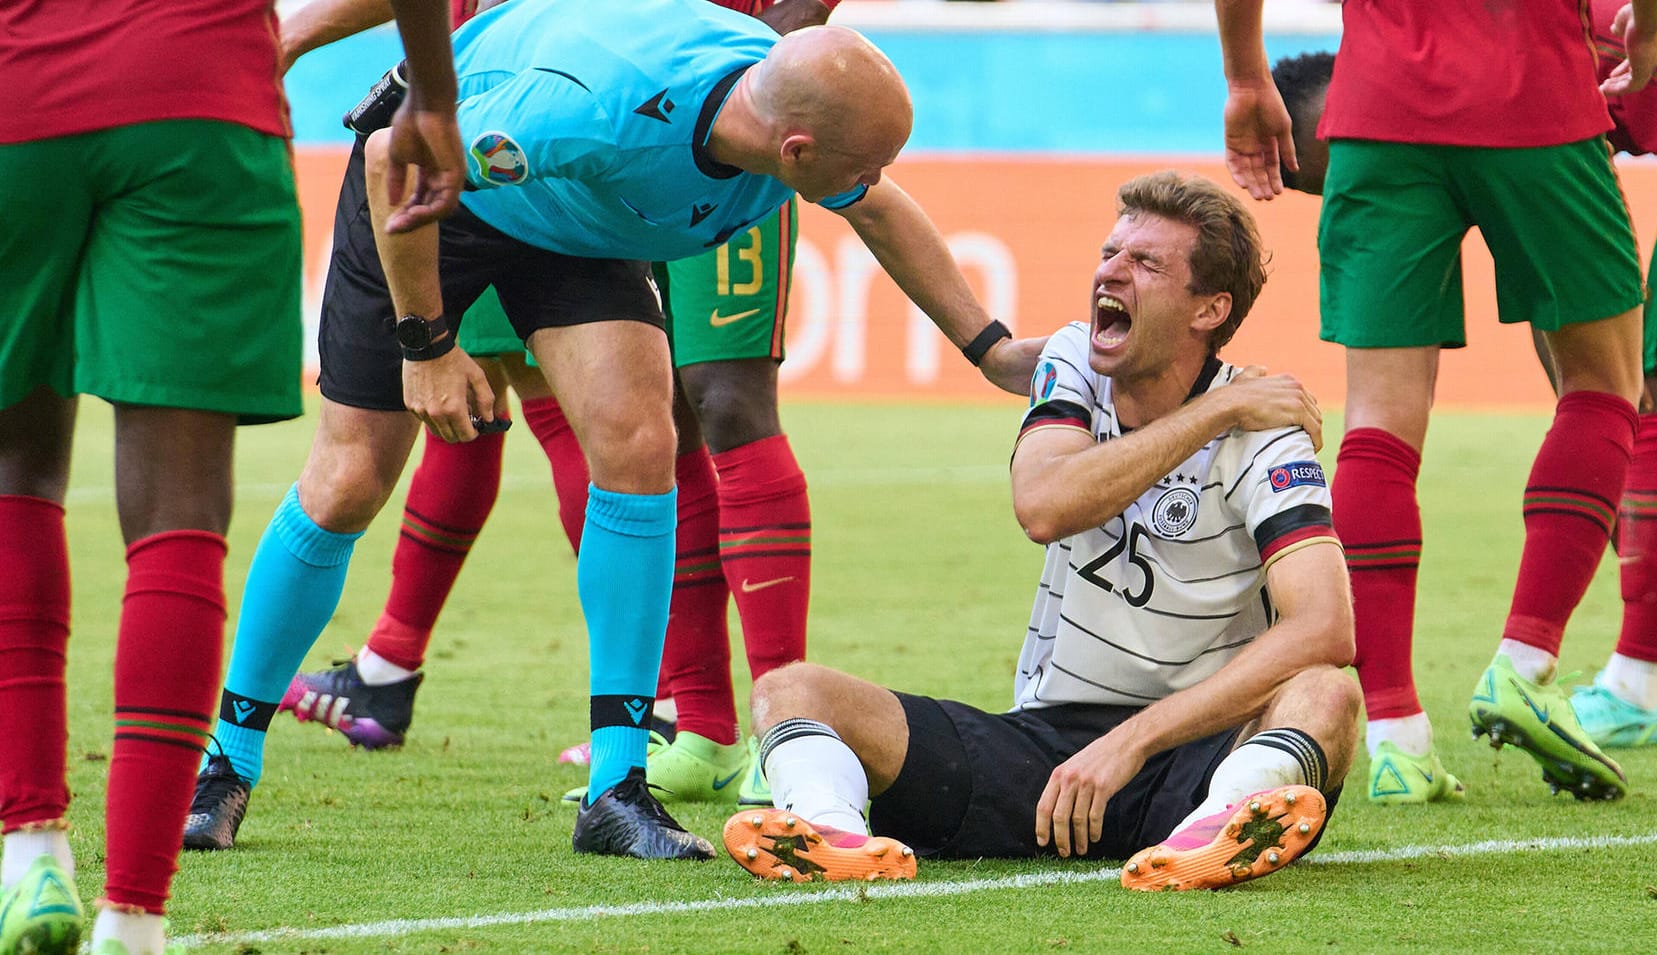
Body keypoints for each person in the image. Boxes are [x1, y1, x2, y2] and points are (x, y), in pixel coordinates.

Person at [182, 0, 1037, 862]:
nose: (876, 175)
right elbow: (392, 162)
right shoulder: (597, 112)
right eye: (868, 161)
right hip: (435, 192)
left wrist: (990, 349)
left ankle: (615, 789)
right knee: (350, 480)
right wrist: (425, 344)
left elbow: (880, 210)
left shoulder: (783, 112)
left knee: (638, 447)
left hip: (577, 220)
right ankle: (224, 761)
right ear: (796, 154)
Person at [274, 0, 845, 812]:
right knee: (491, 391)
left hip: (719, 121)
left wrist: (766, 86)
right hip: (531, 118)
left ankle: (770, 725)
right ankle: (691, 716)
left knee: (714, 399)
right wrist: (298, 33)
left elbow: (859, 163)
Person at [721, 172, 1359, 892]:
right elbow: (1043, 504)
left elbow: (1324, 627)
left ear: (1209, 308)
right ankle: (833, 835)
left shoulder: (1268, 433)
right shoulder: (1078, 360)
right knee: (791, 690)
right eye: (1110, 252)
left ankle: (1210, 832)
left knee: (1326, 695)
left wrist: (1135, 739)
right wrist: (1214, 413)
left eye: (1145, 263)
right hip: (1046, 757)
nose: (1110, 271)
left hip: (1196, 749)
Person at [0, 2, 459, 953]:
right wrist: (432, 90)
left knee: (15, 473)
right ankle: (133, 917)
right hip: (199, 90)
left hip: (16, 92)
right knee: (178, 514)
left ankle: (29, 850)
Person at [1218, 0, 1657, 806]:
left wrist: (1246, 73)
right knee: (1604, 387)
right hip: (1536, 97)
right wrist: (1648, 26)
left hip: (1378, 110)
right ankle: (1524, 663)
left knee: (1377, 424)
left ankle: (1393, 732)